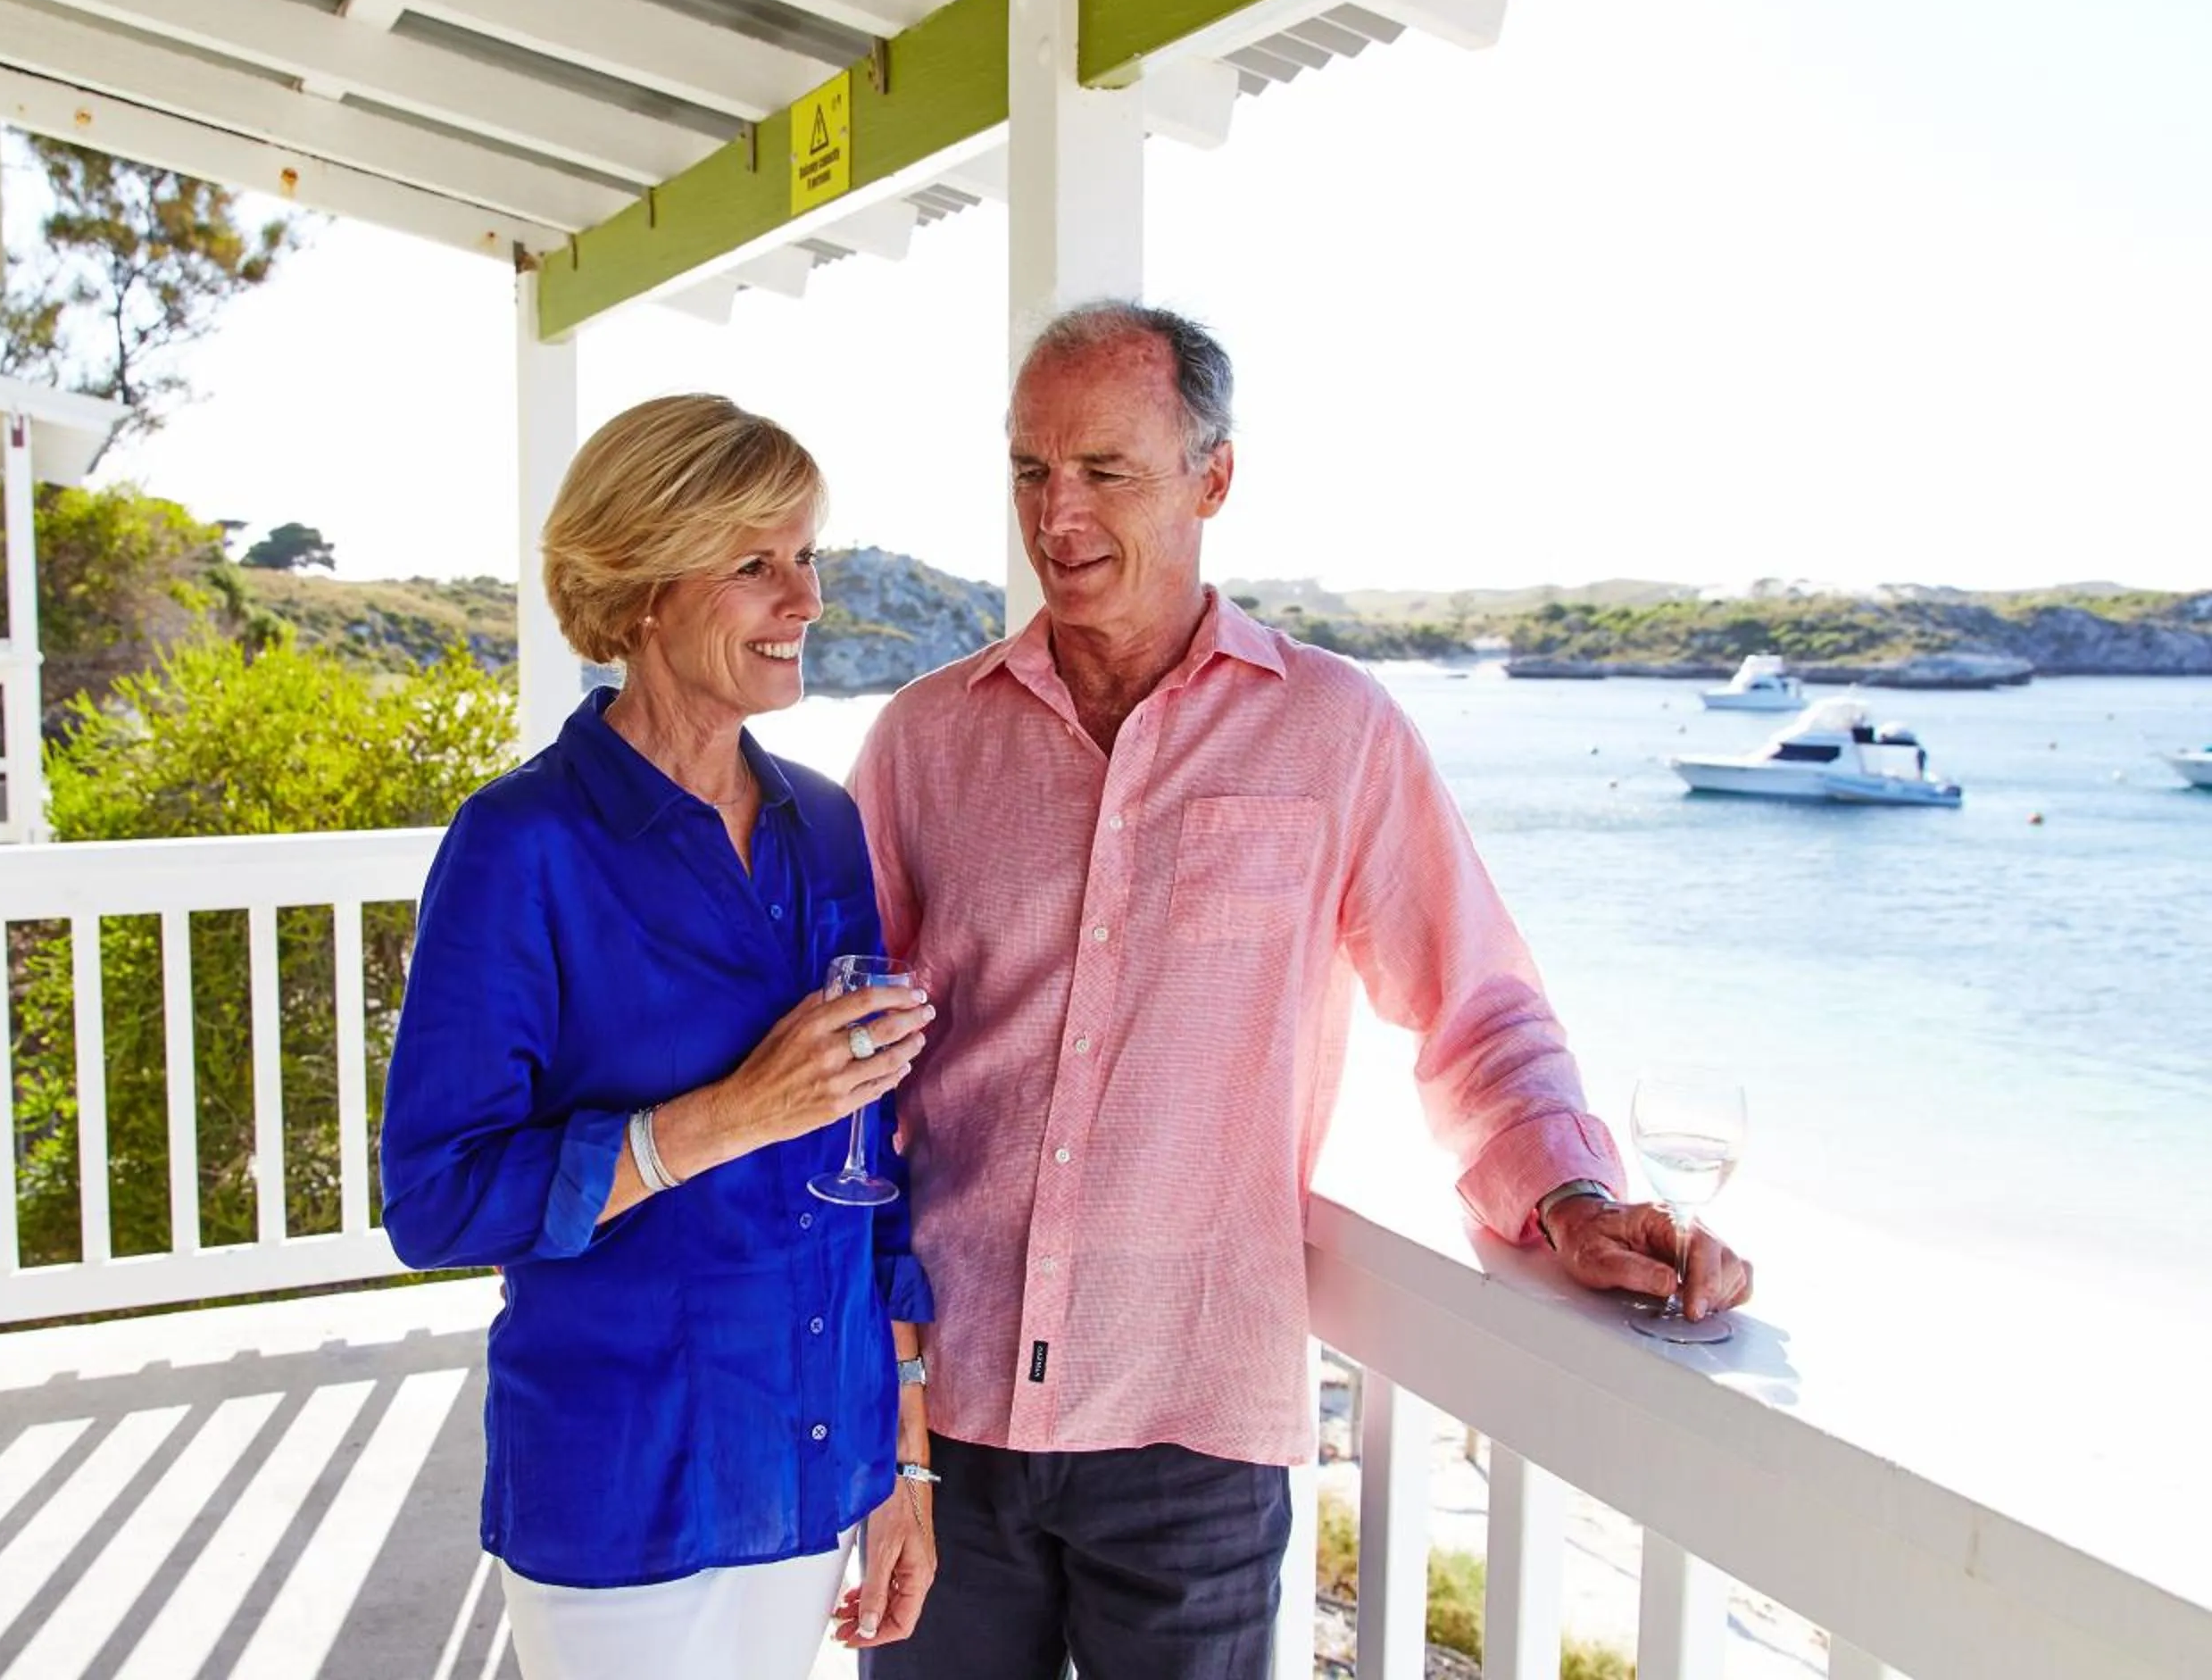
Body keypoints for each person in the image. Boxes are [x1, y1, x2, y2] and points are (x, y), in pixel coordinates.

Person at [849, 303, 1755, 1679]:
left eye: (1108, 470)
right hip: (948, 1416)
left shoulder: (1336, 732)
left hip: (1193, 1430)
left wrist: (1569, 1197)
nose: (1060, 514)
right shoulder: (924, 742)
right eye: (1033, 470)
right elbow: (849, 1073)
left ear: (1215, 478)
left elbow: (1476, 1005)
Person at [378, 394, 942, 1680]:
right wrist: (726, 1118)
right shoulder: (522, 846)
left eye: (809, 557)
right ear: (639, 592)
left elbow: (871, 1173)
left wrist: (903, 1461)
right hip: (623, 1482)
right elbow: (437, 1200)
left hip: (813, 1462)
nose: (805, 600)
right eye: (756, 565)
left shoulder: (824, 823)